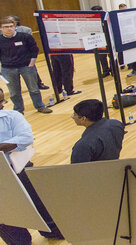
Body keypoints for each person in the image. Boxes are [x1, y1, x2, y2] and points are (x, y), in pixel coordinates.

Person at [0, 88, 64, 243]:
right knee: (5, 216)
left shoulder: (12, 116)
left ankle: (51, 231)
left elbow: (26, 138)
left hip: (19, 168)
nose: (2, 104)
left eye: (2, 100)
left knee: (38, 203)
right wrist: (7, 145)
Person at [0, 16, 49, 114]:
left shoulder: (25, 36)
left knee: (34, 89)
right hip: (8, 69)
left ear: (15, 26)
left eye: (11, 26)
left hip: (26, 67)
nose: (9, 28)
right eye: (6, 27)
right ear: (1, 28)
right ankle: (18, 110)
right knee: (14, 92)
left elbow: (34, 50)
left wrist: (31, 63)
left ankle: (40, 106)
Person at [70, 99, 125, 163]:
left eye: (74, 115)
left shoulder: (82, 145)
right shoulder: (117, 124)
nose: (73, 117)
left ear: (83, 118)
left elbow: (76, 170)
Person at [10, 15, 49, 90]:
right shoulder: (3, 31)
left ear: (16, 22)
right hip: (12, 56)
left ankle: (38, 84)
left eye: (11, 21)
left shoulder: (26, 29)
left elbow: (29, 42)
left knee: (31, 70)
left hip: (25, 54)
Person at [90, 5, 112, 77]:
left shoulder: (107, 18)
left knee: (110, 56)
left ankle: (113, 70)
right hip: (98, 40)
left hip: (108, 39)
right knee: (102, 57)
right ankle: (105, 70)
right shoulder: (91, 20)